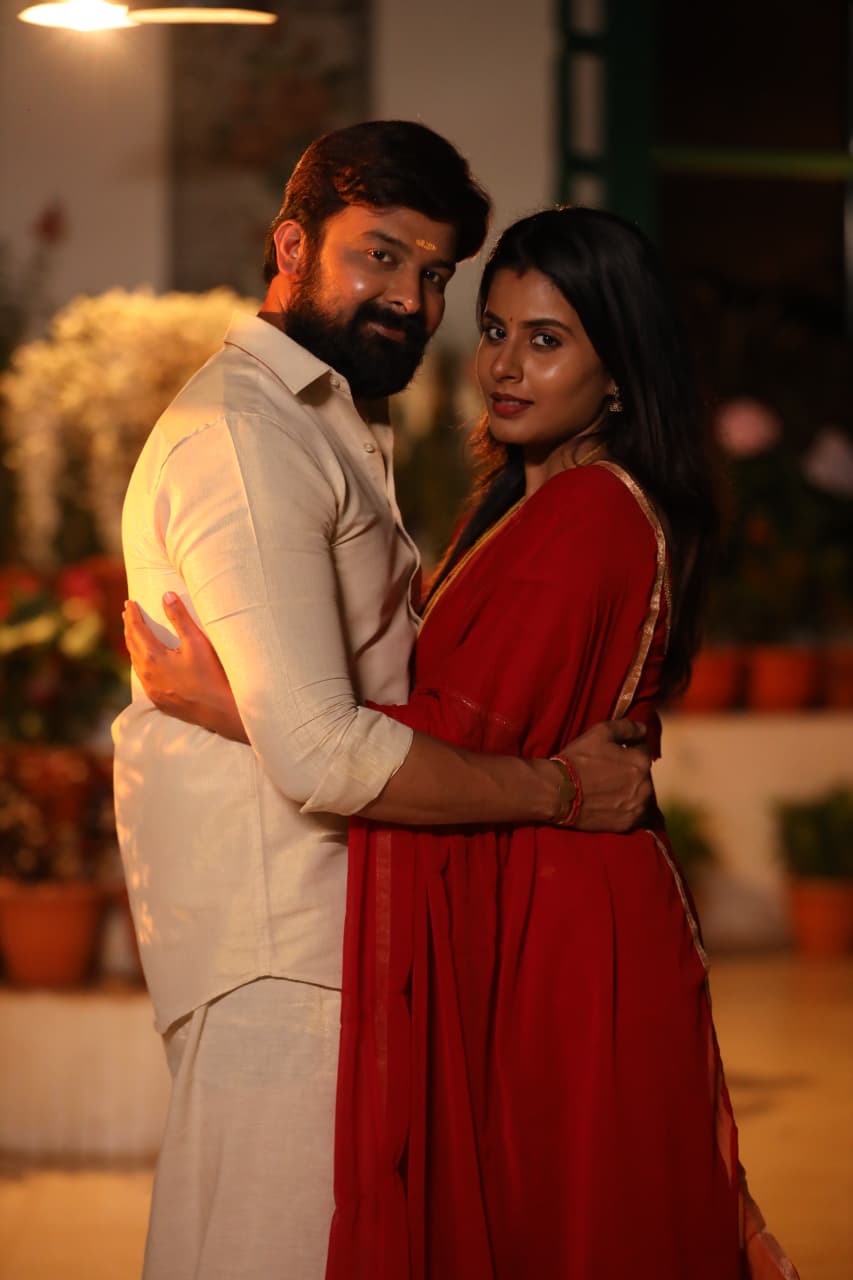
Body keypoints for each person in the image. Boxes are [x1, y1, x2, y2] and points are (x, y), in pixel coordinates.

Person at [126, 206, 799, 1279]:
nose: (505, 366)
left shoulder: (588, 514)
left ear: (617, 371)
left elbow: (449, 732)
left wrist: (235, 705)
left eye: (547, 339)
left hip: (568, 929)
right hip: (536, 895)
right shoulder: (529, 505)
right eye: (494, 331)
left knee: (575, 1227)